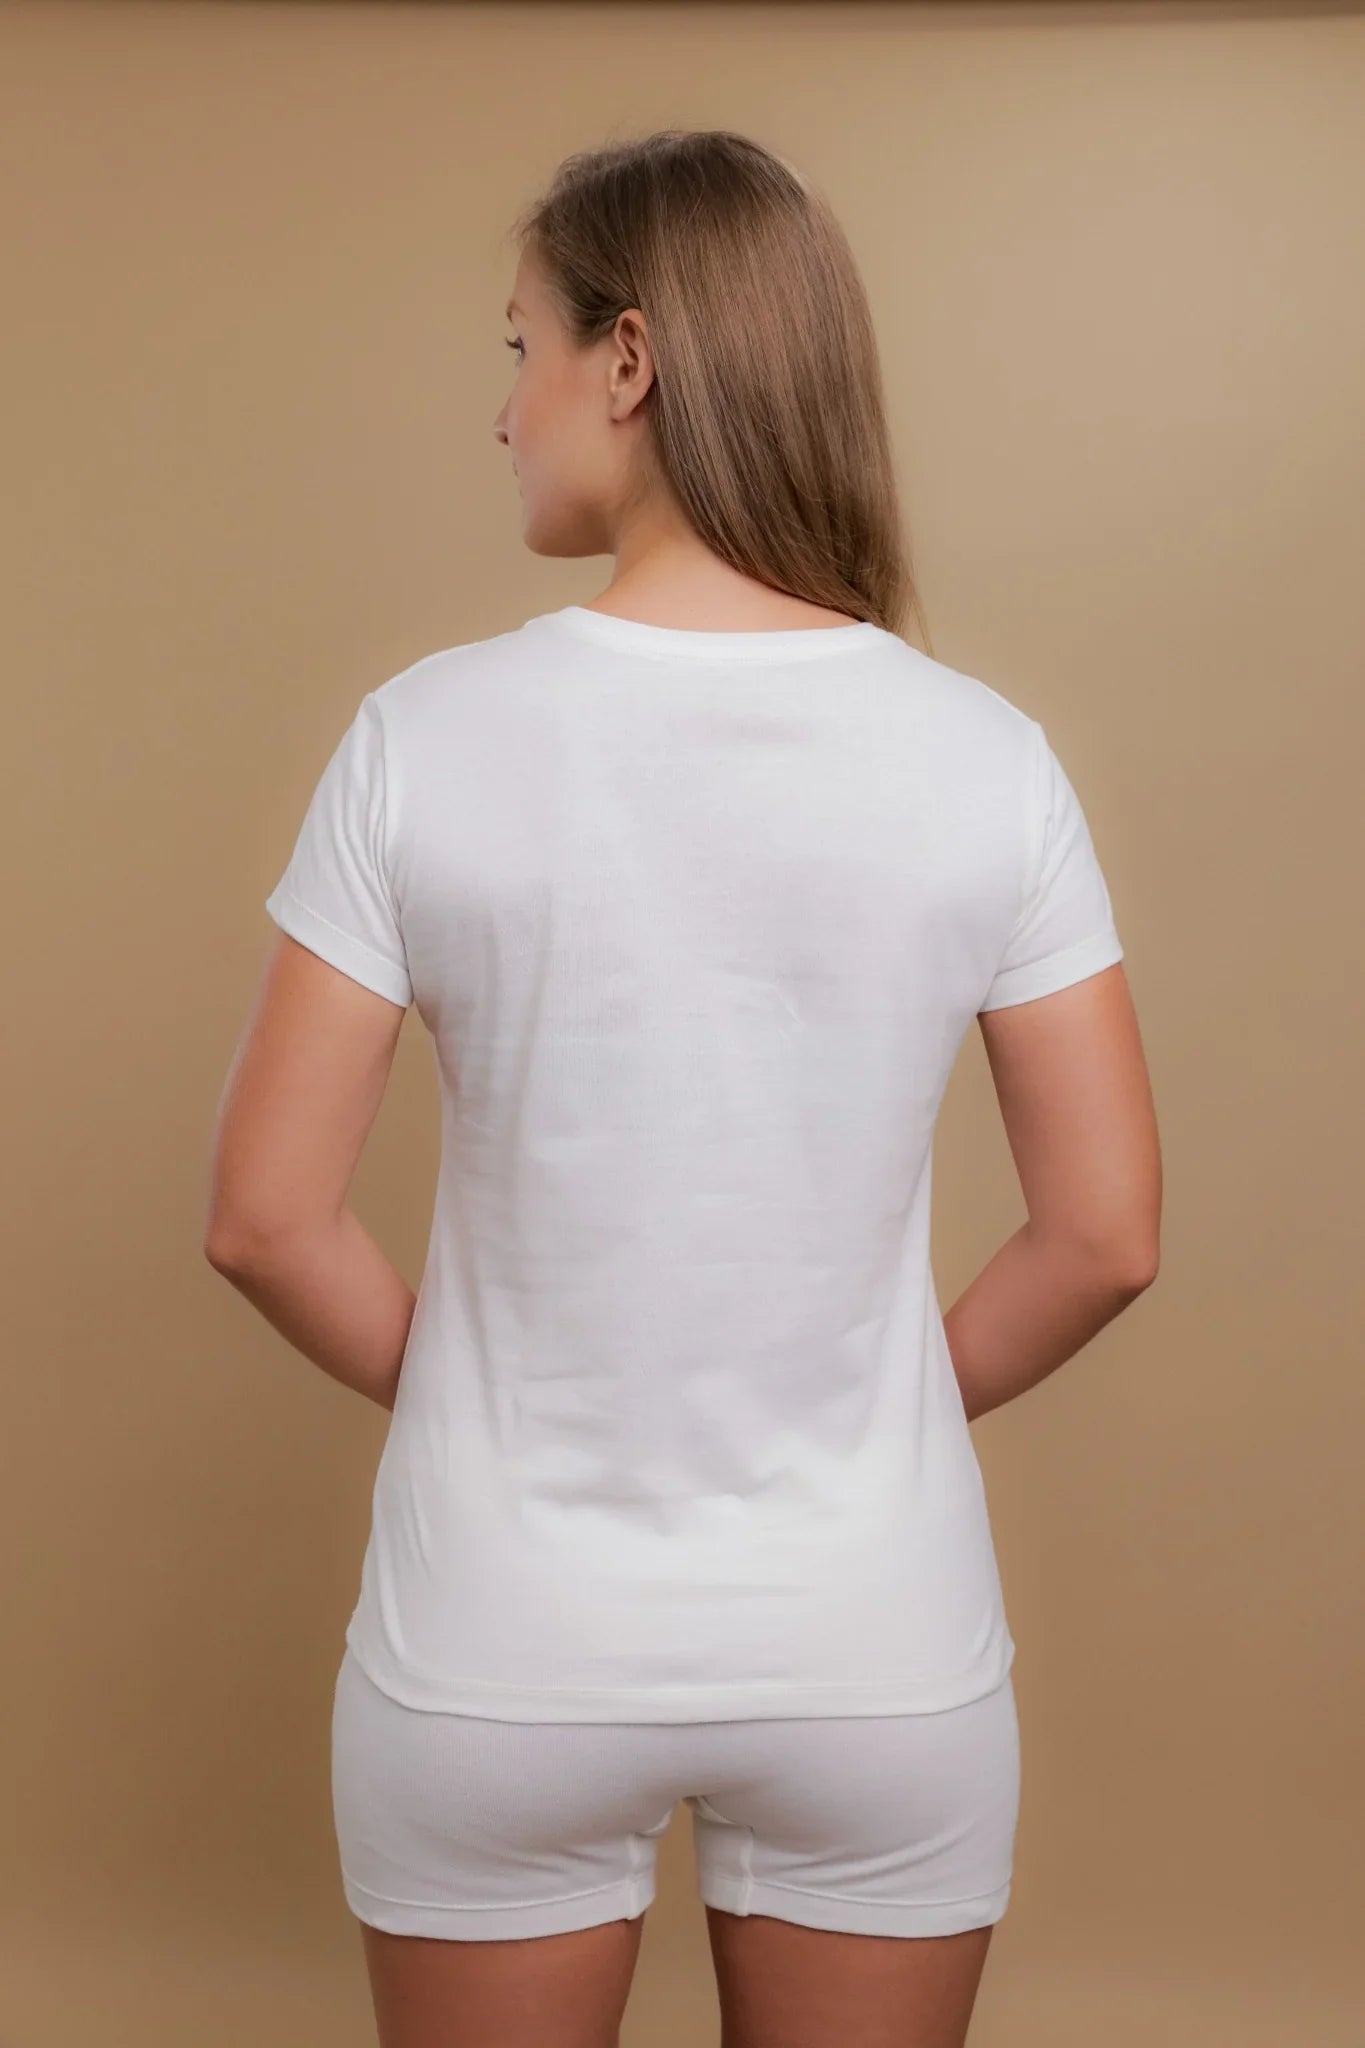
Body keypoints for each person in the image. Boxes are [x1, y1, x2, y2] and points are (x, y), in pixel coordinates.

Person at [206, 129, 1161, 2048]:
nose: (505, 411)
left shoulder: (423, 738)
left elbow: (264, 1222)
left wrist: (489, 1389)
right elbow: (1103, 1239)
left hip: (497, 1648)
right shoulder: (987, 759)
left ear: (627, 361)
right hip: (871, 1648)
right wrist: (874, 1398)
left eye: (523, 349)